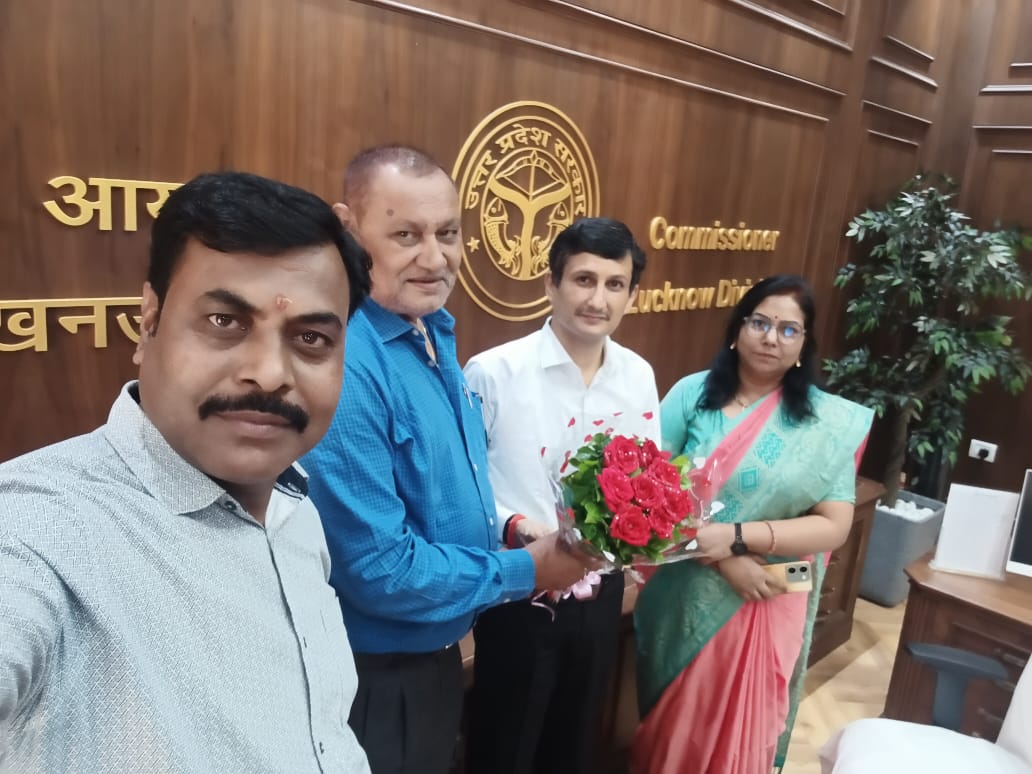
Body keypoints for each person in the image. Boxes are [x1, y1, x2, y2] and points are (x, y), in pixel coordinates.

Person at [0, 172, 373, 773]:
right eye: (225, 322)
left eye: (310, 337)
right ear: (148, 321)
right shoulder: (38, 527)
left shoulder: (295, 510)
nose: (269, 373)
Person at [301, 145, 593, 774]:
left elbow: (437, 490)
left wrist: (507, 529)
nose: (435, 258)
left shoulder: (428, 329)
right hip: (375, 679)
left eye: (448, 234)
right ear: (348, 229)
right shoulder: (349, 363)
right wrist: (525, 569)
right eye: (406, 235)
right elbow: (380, 570)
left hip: (435, 656)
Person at [631, 274, 874, 774]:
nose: (771, 338)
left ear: (804, 345)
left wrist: (738, 539)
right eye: (760, 323)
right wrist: (725, 561)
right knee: (677, 733)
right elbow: (646, 495)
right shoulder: (692, 396)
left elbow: (834, 527)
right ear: (737, 329)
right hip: (684, 593)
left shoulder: (824, 423)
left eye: (789, 329)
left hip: (777, 587)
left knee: (745, 738)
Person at [461, 217, 659, 774]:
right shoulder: (493, 372)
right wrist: (519, 526)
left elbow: (646, 481)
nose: (598, 300)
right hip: (519, 586)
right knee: (504, 746)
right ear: (551, 285)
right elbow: (465, 484)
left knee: (574, 745)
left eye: (615, 285)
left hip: (601, 589)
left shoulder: (638, 376)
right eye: (584, 280)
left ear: (631, 296)